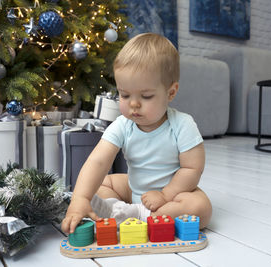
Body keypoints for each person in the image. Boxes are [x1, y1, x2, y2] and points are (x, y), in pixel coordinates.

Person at [61, 33, 212, 234]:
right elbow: (97, 162)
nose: (133, 104)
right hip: (135, 190)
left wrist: (166, 195)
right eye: (124, 95)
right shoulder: (122, 125)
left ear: (171, 92)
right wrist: (80, 199)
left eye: (146, 96)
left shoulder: (182, 124)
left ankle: (146, 215)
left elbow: (192, 169)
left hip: (173, 193)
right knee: (103, 182)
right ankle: (121, 209)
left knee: (200, 207)